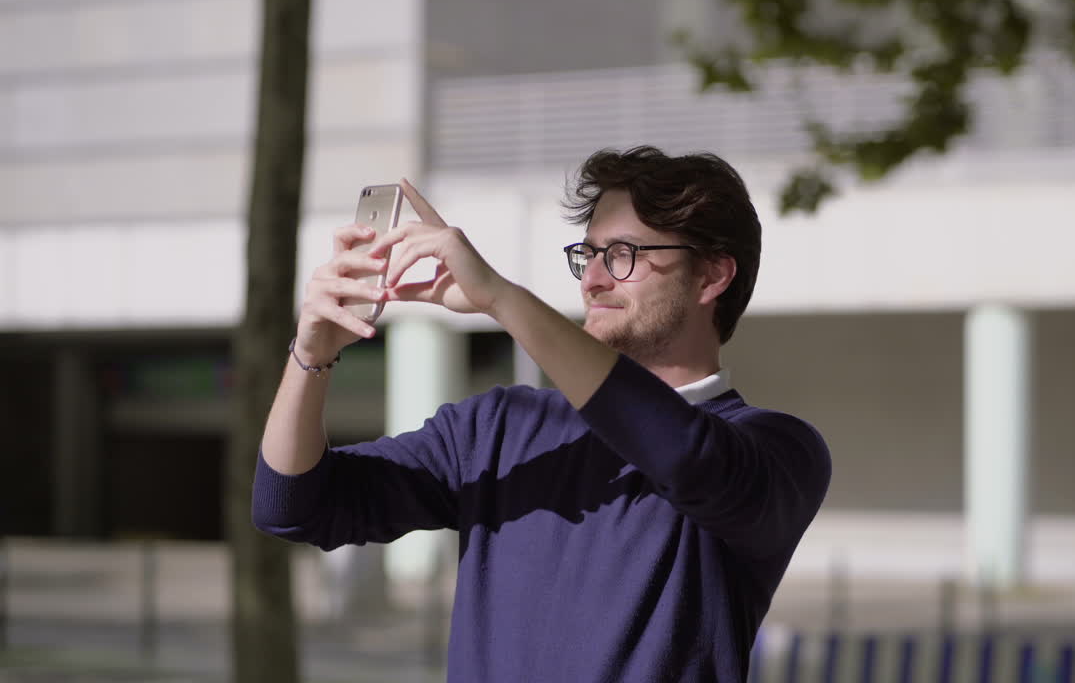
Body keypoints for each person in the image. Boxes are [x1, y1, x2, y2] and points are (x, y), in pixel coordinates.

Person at [252, 146, 831, 682]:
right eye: (589, 254)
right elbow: (293, 506)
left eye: (624, 254)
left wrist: (502, 298)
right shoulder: (500, 426)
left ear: (712, 275)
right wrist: (311, 355)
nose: (595, 278)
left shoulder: (777, 449)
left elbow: (680, 452)